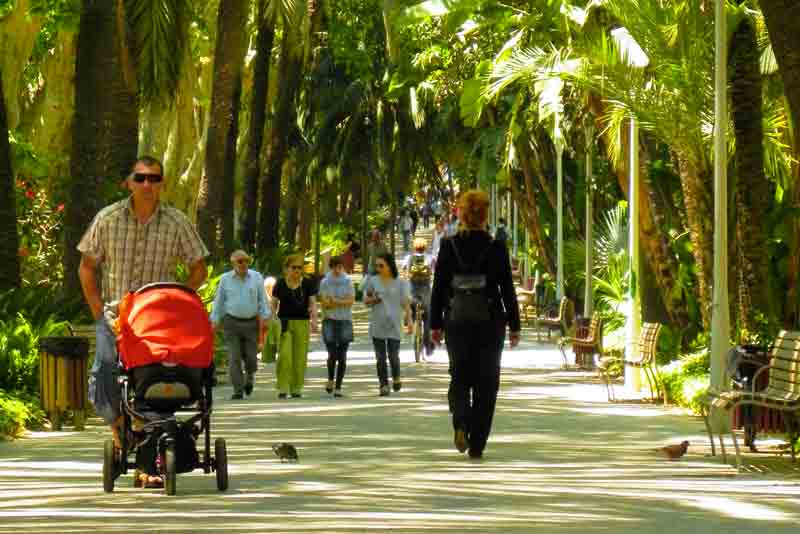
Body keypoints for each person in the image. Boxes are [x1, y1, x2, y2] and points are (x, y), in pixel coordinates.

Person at [77, 155, 209, 485]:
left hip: (158, 325)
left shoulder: (176, 222)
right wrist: (97, 313)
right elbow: (87, 268)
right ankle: (125, 430)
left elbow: (199, 268)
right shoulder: (107, 220)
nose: (147, 185)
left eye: (154, 178)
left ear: (162, 183)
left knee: (157, 380)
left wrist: (180, 300)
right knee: (103, 379)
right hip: (114, 318)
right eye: (140, 178)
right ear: (129, 182)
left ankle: (151, 456)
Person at [429, 189, 521, 459]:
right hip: (490, 322)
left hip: (457, 321)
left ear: (462, 214)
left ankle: (461, 422)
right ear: (485, 215)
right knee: (487, 381)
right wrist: (514, 325)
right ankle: (477, 442)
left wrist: (435, 325)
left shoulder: (449, 245)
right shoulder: (496, 247)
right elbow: (507, 289)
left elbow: (438, 289)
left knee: (459, 375)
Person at [210, 250, 271, 400]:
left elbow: (262, 299)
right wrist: (215, 320)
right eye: (240, 261)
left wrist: (266, 317)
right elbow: (219, 301)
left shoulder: (256, 277)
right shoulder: (225, 279)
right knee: (234, 356)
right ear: (233, 263)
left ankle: (249, 376)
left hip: (251, 323)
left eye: (246, 261)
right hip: (231, 322)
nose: (244, 264)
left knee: (251, 357)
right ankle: (238, 390)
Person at [363, 253, 412, 396]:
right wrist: (373, 300)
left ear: (390, 265)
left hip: (394, 324)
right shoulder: (372, 281)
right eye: (376, 266)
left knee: (393, 355)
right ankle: (383, 385)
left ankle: (396, 377)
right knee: (380, 357)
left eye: (381, 265)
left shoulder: (401, 282)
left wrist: (409, 320)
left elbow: (405, 303)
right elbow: (366, 300)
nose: (378, 268)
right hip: (377, 323)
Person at [273, 254, 318, 398]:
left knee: (299, 357)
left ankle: (296, 388)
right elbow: (273, 303)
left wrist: (314, 320)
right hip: (284, 323)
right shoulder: (280, 283)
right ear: (287, 269)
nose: (297, 270)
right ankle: (283, 387)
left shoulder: (307, 284)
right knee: (284, 356)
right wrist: (272, 318)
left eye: (300, 267)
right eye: (294, 267)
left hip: (302, 323)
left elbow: (312, 303)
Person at [318, 256, 355, 397]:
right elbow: (325, 302)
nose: (337, 270)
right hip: (330, 320)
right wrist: (340, 302)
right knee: (332, 354)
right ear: (331, 267)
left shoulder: (347, 281)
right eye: (335, 267)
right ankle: (330, 379)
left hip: (345, 320)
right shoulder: (325, 282)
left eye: (340, 267)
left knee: (343, 356)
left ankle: (338, 386)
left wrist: (336, 301)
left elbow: (351, 300)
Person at [402, 237, 435, 358]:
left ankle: (407, 320)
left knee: (410, 307)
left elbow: (404, 270)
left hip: (412, 289)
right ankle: (427, 345)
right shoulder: (430, 257)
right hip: (425, 289)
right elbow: (434, 270)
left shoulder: (409, 257)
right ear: (425, 247)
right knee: (427, 317)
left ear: (414, 246)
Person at [262, 276, 281, 364]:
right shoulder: (264, 299)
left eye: (273, 287)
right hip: (265, 322)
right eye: (269, 287)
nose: (272, 289)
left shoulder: (277, 298)